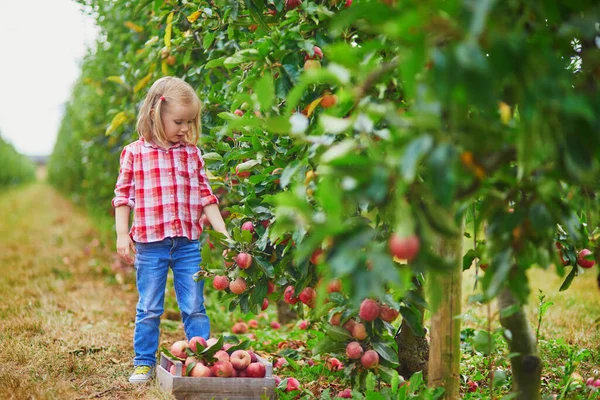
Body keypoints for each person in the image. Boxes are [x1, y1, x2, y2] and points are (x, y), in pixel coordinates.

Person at [111, 76, 229, 384]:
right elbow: (122, 196)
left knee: (194, 305)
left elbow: (207, 197)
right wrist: (123, 234)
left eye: (190, 122)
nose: (185, 129)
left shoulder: (191, 153)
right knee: (149, 306)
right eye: (178, 121)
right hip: (150, 244)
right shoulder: (135, 153)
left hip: (188, 243)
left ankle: (200, 360)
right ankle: (143, 362)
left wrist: (224, 234)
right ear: (155, 112)